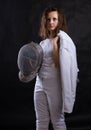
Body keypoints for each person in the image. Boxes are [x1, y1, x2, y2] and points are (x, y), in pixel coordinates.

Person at [34, 6, 79, 130]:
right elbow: (38, 65)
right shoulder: (42, 43)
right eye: (48, 19)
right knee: (41, 120)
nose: (51, 22)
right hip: (39, 84)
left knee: (57, 120)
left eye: (54, 19)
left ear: (59, 21)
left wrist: (55, 45)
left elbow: (62, 66)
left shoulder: (62, 41)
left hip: (55, 84)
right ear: (45, 21)